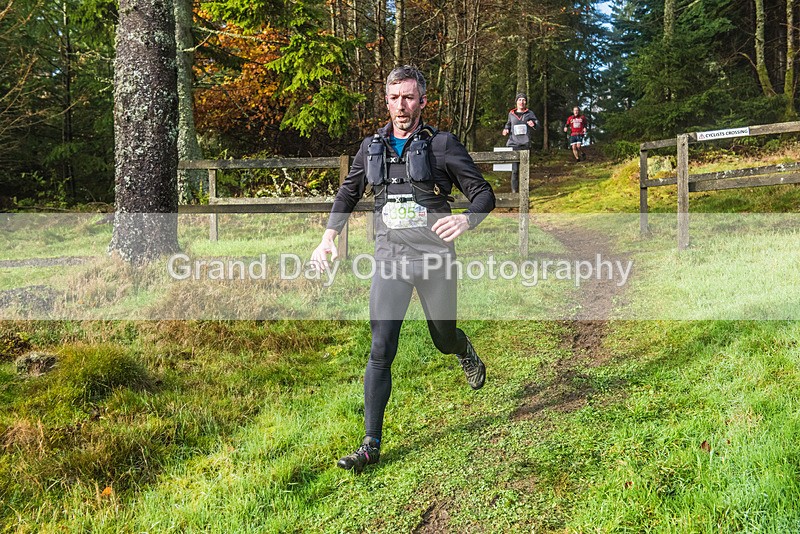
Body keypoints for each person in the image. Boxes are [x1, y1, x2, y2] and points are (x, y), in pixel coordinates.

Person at [311, 65, 496, 473]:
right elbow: (348, 191)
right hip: (390, 260)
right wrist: (328, 236)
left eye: (409, 98)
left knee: (442, 337)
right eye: (395, 98)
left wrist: (467, 219)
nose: (401, 106)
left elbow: (484, 193)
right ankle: (370, 445)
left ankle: (462, 350)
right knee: (380, 350)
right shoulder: (370, 146)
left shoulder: (443, 145)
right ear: (387, 101)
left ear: (423, 101)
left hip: (434, 260)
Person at [502, 93, 539, 192]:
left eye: (523, 100)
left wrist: (533, 124)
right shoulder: (511, 114)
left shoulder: (529, 113)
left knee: (524, 170)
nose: (521, 102)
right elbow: (508, 124)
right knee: (514, 170)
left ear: (526, 102)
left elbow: (537, 125)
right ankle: (514, 191)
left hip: (525, 144)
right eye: (519, 100)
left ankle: (524, 190)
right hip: (513, 144)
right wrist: (506, 129)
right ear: (516, 102)